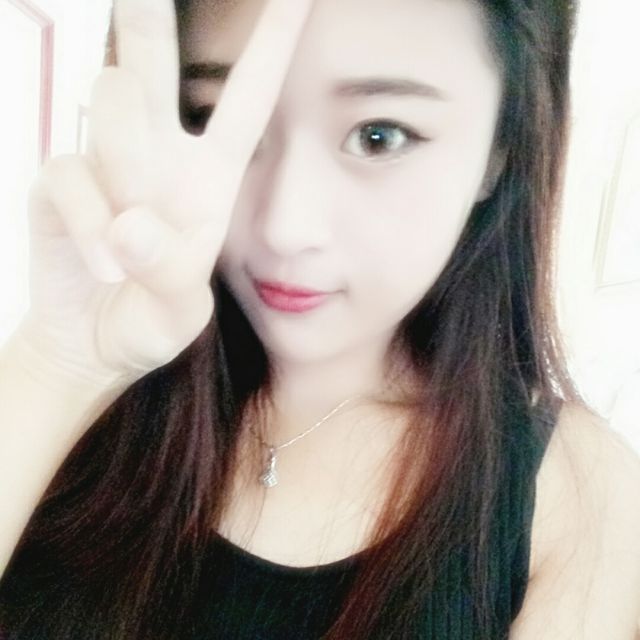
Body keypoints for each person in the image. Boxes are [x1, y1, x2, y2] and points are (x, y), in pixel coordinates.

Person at [0, 0, 639, 637]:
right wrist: (60, 362)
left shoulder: (578, 496)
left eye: (379, 136)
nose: (286, 227)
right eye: (213, 115)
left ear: (499, 151)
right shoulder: (86, 388)